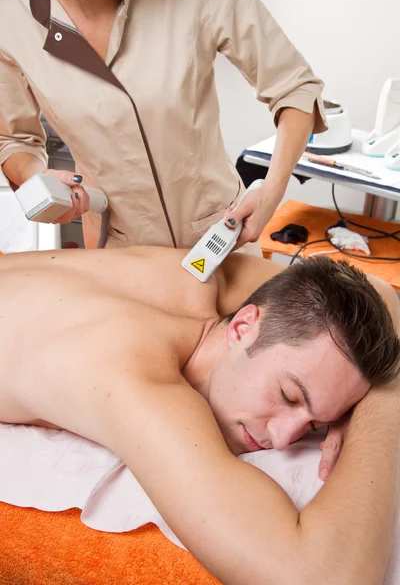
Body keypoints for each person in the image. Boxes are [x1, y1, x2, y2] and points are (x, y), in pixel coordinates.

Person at [0, 244, 399, 584]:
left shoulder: (200, 278)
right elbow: (318, 576)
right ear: (243, 327)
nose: (283, 440)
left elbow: (383, 293)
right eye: (289, 396)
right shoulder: (130, 375)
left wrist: (349, 397)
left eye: (315, 424)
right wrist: (387, 403)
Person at [0, 0, 327, 251]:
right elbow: (13, 140)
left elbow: (295, 89)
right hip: (116, 248)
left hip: (221, 234)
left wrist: (270, 192)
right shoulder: (8, 17)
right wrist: (39, 181)